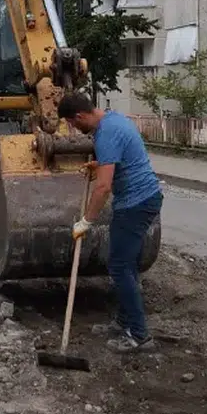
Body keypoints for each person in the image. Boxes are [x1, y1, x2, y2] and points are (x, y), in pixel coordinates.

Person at [56, 92, 163, 353]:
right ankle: (124, 321)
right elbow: (117, 161)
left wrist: (86, 221)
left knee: (119, 267)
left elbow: (103, 188)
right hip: (144, 198)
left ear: (80, 116)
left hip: (135, 205)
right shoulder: (113, 120)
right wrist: (100, 163)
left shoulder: (106, 134)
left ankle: (139, 335)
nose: (74, 129)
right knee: (125, 265)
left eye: (72, 123)